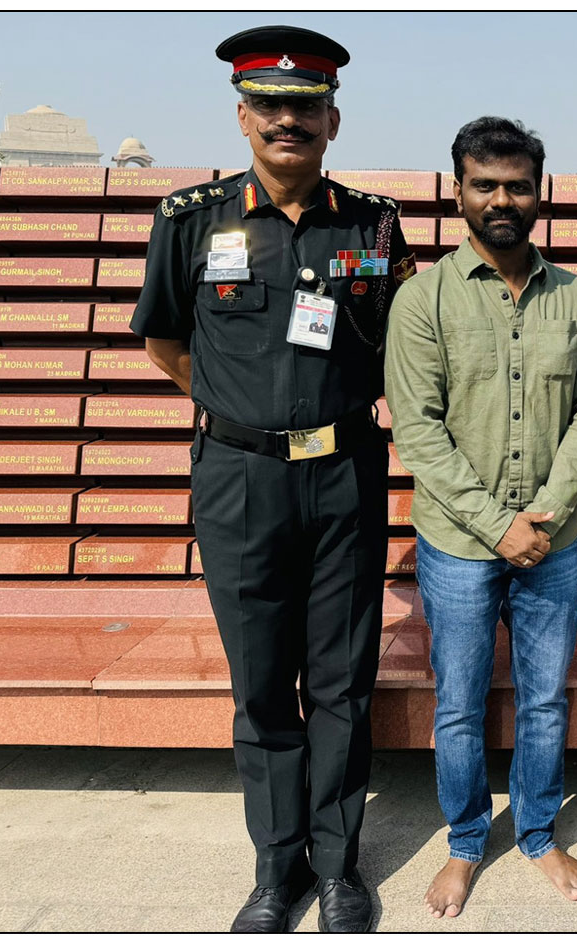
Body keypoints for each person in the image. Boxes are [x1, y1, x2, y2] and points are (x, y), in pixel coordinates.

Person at [131, 25, 416, 933]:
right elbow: (165, 340)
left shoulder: (373, 222)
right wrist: (240, 412)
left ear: (332, 120)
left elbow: (401, 342)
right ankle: (273, 868)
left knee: (340, 678)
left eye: (306, 107)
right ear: (243, 115)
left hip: (343, 475)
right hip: (240, 479)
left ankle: (338, 869)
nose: (287, 120)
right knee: (261, 682)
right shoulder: (190, 218)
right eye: (270, 106)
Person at [384, 116, 577, 919]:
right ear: (458, 192)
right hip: (457, 543)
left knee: (545, 697)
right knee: (461, 698)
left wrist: (544, 511)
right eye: (486, 184)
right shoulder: (421, 300)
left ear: (540, 192)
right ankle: (465, 839)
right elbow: (418, 429)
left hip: (555, 539)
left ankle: (540, 833)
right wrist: (496, 525)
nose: (503, 199)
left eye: (518, 184)